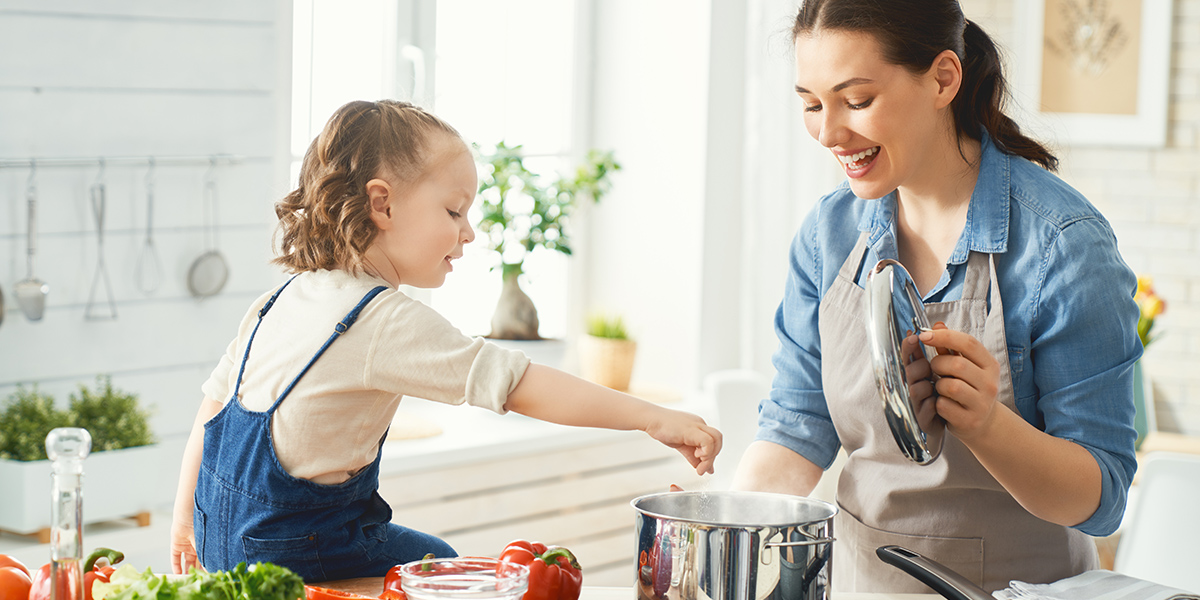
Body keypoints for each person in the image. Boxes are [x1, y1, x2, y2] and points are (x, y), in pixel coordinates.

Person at [169, 99, 722, 582]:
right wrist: (653, 418)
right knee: (443, 567)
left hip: (221, 539)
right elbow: (520, 384)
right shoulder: (380, 318)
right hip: (302, 551)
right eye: (454, 210)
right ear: (381, 205)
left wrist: (184, 522)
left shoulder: (279, 299)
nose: (469, 231)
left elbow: (212, 412)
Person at [732, 0, 1141, 593]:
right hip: (858, 583)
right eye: (812, 104)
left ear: (943, 78)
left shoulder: (1063, 246)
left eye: (857, 101)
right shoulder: (829, 235)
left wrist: (988, 425)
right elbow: (797, 426)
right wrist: (723, 520)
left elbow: (1101, 499)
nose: (828, 133)